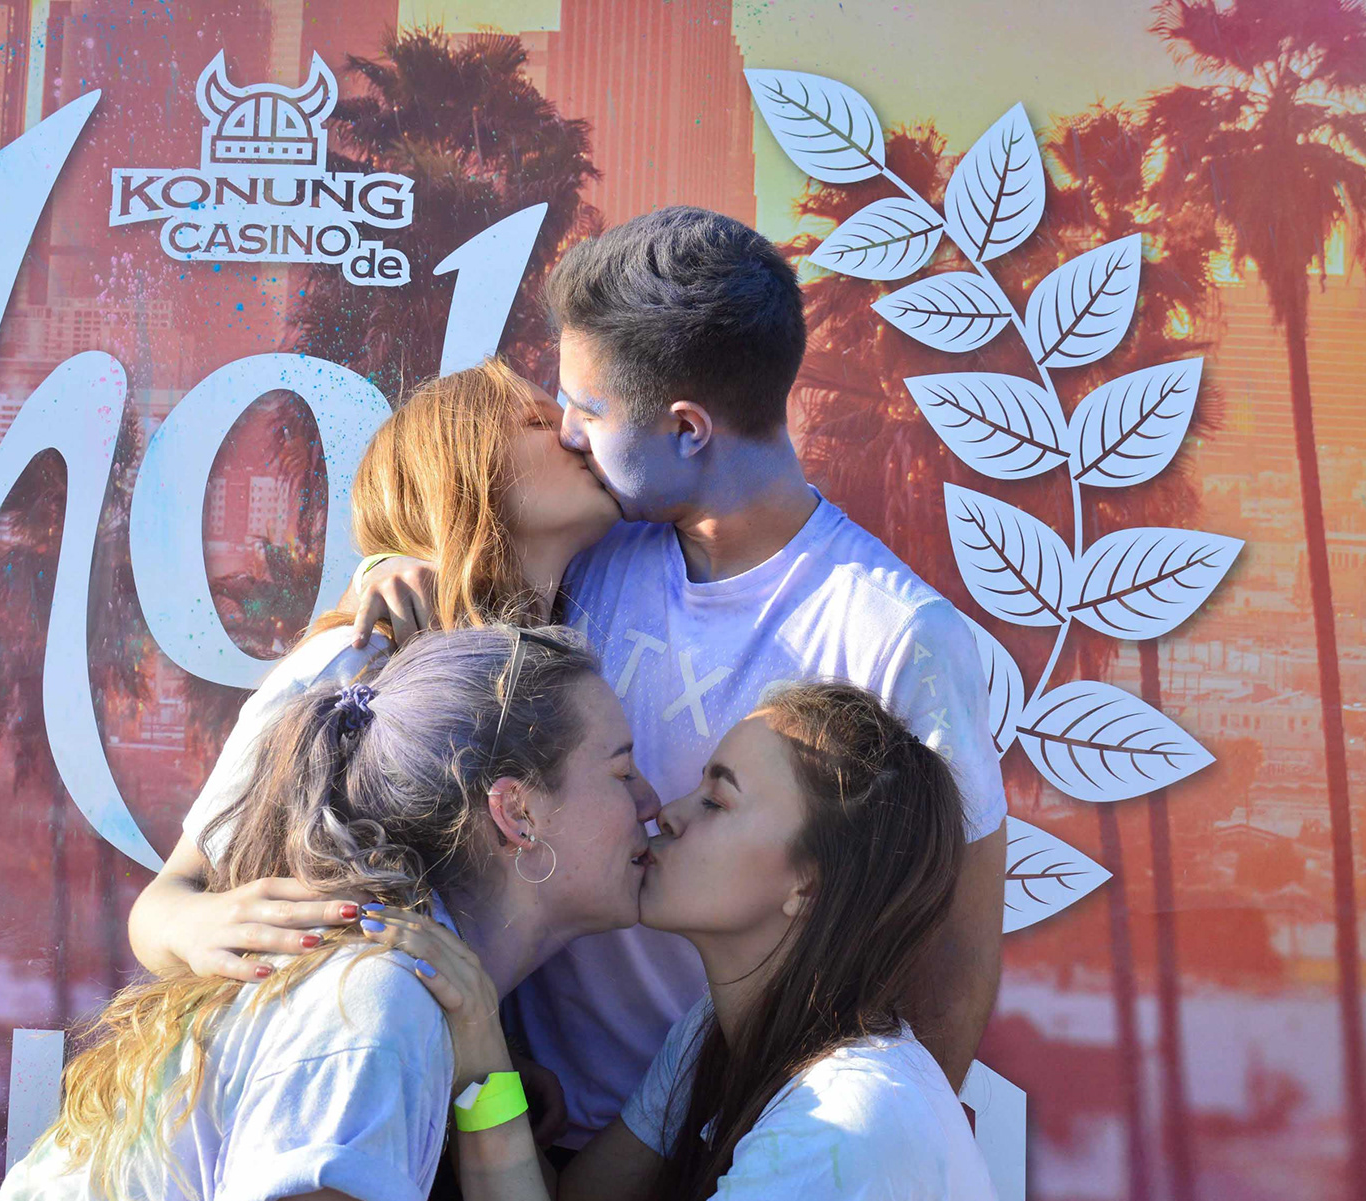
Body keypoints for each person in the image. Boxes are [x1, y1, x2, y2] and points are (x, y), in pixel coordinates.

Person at [352, 206, 1008, 1150]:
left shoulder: (898, 634)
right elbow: (450, 578)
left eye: (588, 411)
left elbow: (953, 961)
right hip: (511, 1121)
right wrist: (384, 569)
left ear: (688, 428)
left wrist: (846, 1176)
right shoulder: (587, 546)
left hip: (730, 1156)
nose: (567, 434)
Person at [0, 626, 658, 1201]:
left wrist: (492, 1082)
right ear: (517, 811)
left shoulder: (397, 991)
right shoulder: (373, 1008)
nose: (653, 803)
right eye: (623, 773)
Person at [367, 683, 1049, 1201]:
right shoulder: (714, 1032)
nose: (666, 812)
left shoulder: (850, 1119)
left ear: (807, 885)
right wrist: (485, 1065)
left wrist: (482, 1065)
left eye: (717, 801)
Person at [127, 357, 626, 985]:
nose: (575, 435)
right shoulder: (362, 652)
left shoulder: (562, 649)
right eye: (537, 422)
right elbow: (167, 898)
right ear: (461, 471)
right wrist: (199, 926)